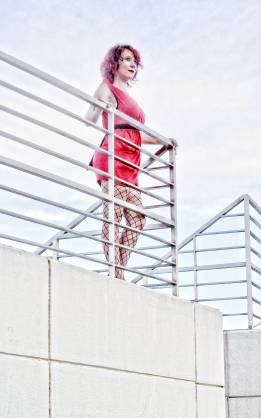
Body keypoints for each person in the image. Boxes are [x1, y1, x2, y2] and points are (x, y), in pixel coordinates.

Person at [84, 44, 177, 279]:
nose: (132, 64)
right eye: (126, 59)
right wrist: (99, 105)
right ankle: (117, 274)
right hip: (113, 157)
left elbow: (134, 134)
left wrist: (163, 141)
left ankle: (117, 270)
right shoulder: (107, 88)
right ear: (115, 64)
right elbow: (90, 118)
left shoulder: (129, 97)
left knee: (137, 219)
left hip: (130, 160)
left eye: (134, 61)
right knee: (113, 216)